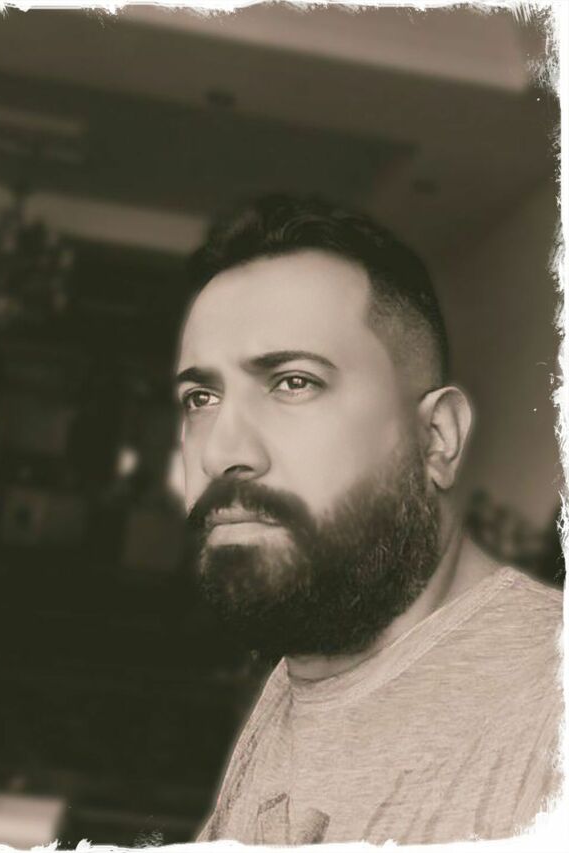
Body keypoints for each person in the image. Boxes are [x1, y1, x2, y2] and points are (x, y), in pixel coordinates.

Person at [173, 194, 563, 845]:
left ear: (437, 437)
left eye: (293, 382)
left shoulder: (549, 713)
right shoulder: (308, 666)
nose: (220, 451)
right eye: (201, 397)